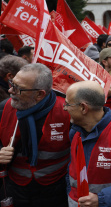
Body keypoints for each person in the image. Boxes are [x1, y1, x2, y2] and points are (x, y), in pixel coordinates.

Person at [0, 64, 70, 207]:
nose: (10, 90)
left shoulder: (66, 111)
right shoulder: (4, 108)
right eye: (12, 83)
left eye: (18, 88)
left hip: (55, 190)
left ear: (40, 94)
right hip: (15, 188)